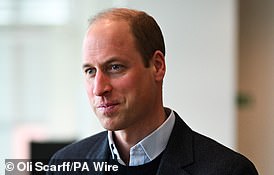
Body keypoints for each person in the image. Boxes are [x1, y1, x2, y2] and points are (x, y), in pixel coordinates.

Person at [48, 8, 258, 174]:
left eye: (115, 67)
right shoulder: (63, 165)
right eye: (90, 71)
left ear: (157, 66)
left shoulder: (228, 170)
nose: (99, 88)